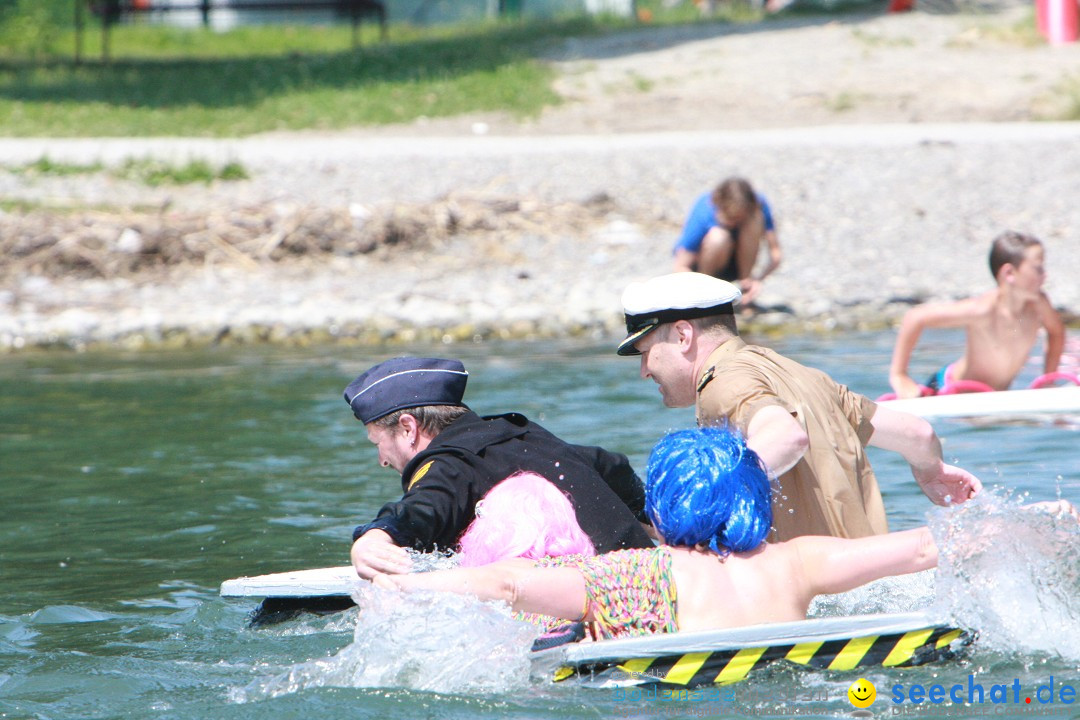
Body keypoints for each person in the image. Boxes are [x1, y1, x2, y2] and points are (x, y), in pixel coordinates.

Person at [376, 427, 1079, 639]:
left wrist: (410, 585)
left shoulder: (625, 576)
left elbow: (505, 583)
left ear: (662, 498)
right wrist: (1041, 522)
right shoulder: (797, 563)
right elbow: (933, 546)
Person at [615, 272, 983, 541]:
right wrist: (932, 472)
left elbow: (786, 436)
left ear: (683, 336)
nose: (644, 371)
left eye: (646, 353)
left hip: (816, 609)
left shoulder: (720, 383)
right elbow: (918, 434)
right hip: (873, 586)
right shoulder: (804, 375)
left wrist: (702, 503)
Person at [343, 357, 653, 579]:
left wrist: (375, 537)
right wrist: (646, 518)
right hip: (652, 582)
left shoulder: (449, 463)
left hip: (593, 614)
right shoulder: (525, 435)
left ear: (408, 428)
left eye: (377, 444)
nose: (382, 460)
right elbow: (612, 465)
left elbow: (424, 507)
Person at [888, 231, 1066, 399]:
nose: (1045, 274)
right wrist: (900, 375)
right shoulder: (982, 310)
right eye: (1038, 268)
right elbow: (915, 316)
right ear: (1009, 273)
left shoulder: (1038, 304)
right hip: (947, 391)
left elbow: (1056, 332)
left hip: (992, 396)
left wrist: (1048, 380)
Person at [672, 177, 782, 305]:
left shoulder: (758, 206)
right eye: (731, 218)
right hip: (705, 271)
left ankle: (745, 286)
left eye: (740, 219)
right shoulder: (705, 209)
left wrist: (758, 280)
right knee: (718, 237)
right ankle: (707, 296)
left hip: (737, 267)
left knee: (755, 221)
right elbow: (680, 265)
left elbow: (776, 254)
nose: (735, 223)